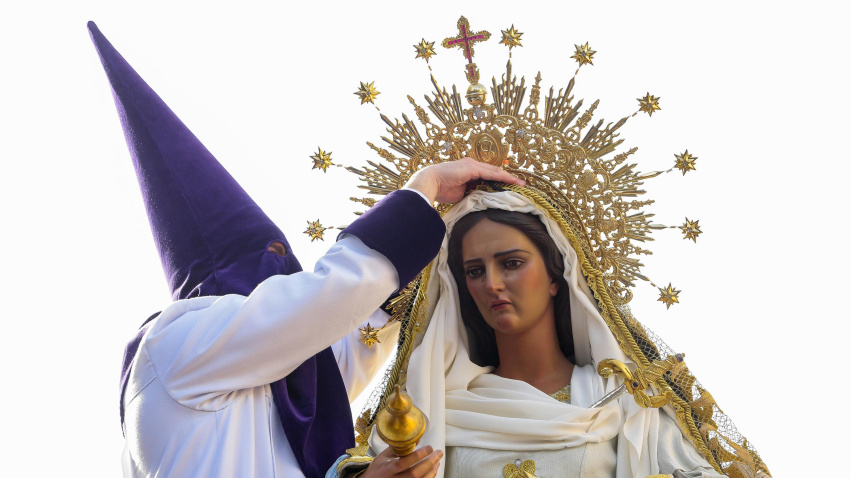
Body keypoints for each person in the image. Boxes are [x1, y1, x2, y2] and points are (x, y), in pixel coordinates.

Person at [89, 22, 522, 478]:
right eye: (272, 257)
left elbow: (342, 348)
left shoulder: (258, 374)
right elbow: (318, 304)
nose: (284, 275)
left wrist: (425, 267)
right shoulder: (173, 347)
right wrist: (421, 191)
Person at [336, 189, 729, 478]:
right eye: (474, 271)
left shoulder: (628, 404)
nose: (492, 283)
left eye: (511, 263)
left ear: (557, 276)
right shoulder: (433, 409)